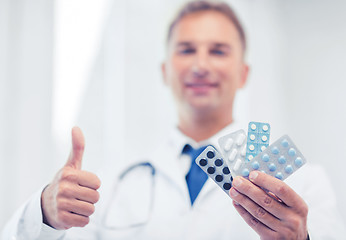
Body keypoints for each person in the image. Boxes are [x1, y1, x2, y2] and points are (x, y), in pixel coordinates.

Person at [2, 1, 345, 239]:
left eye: (218, 50)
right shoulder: (112, 186)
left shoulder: (305, 184)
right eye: (186, 49)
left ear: (243, 74)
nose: (200, 65)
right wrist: (44, 215)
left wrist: (300, 239)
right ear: (165, 72)